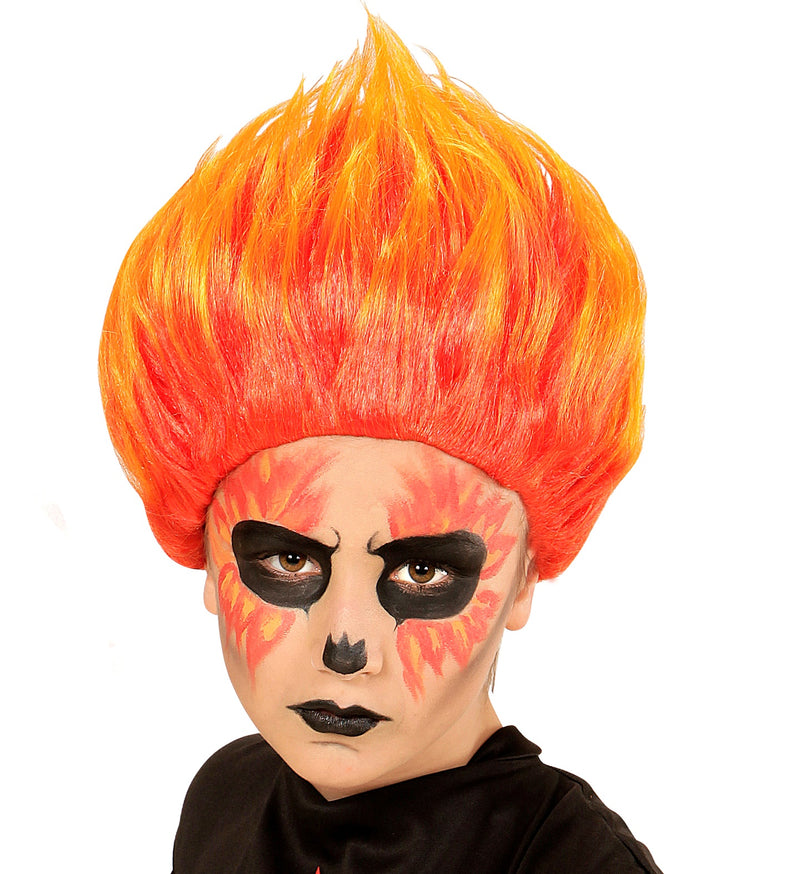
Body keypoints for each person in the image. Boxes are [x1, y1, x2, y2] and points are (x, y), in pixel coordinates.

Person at [99, 15, 660, 873]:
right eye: (288, 560)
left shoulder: (564, 861)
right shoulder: (226, 799)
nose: (345, 644)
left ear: (523, 578)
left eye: (424, 571)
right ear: (210, 558)